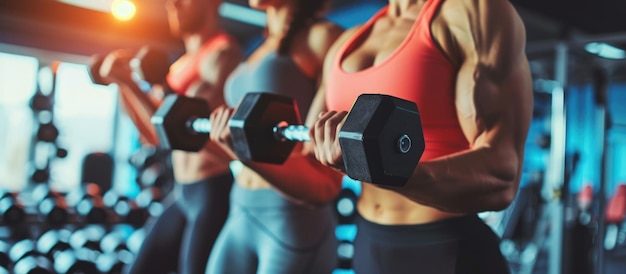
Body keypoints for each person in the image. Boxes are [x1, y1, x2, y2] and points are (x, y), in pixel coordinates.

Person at [210, 0, 532, 273]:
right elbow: (319, 181)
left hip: (446, 247)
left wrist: (392, 171)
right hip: (370, 245)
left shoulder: (472, 12)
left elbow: (502, 174)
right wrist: (244, 152)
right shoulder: (349, 41)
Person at [97, 0, 242, 273]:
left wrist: (130, 83)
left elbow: (183, 129)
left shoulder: (223, 54)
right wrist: (123, 83)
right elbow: (153, 134)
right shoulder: (181, 66)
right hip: (182, 191)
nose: (172, 4)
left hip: (213, 190)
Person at [204, 0, 343, 273]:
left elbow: (326, 181)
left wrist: (245, 154)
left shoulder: (322, 37)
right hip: (241, 207)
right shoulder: (260, 45)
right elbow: (240, 148)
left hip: (291, 218)